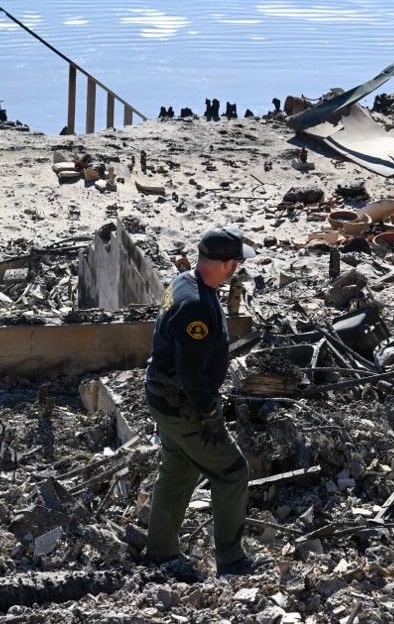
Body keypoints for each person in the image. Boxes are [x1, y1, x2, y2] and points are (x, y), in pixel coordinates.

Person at [144, 225, 264, 577]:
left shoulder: (185, 281)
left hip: (162, 397)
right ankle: (231, 560)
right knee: (232, 472)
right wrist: (211, 413)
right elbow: (191, 375)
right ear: (226, 265)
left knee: (178, 469)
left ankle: (161, 554)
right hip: (183, 404)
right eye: (237, 264)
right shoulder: (196, 306)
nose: (238, 270)